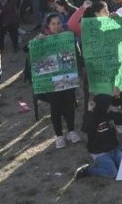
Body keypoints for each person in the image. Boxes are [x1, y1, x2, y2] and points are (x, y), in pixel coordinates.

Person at [34, 13, 81, 149]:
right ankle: (59, 136)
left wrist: (78, 72)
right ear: (48, 25)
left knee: (69, 104)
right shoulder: (42, 39)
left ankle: (71, 131)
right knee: (55, 107)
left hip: (68, 77)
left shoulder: (68, 37)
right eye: (53, 23)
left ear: (62, 24)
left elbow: (77, 55)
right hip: (51, 80)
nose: (56, 26)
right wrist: (38, 41)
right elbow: (30, 53)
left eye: (58, 23)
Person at [75, 94, 122, 180]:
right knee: (112, 173)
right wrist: (89, 111)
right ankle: (88, 170)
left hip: (114, 150)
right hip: (100, 153)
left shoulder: (110, 114)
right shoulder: (92, 117)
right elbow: (85, 128)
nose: (111, 106)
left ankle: (118, 157)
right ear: (103, 105)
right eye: (109, 105)